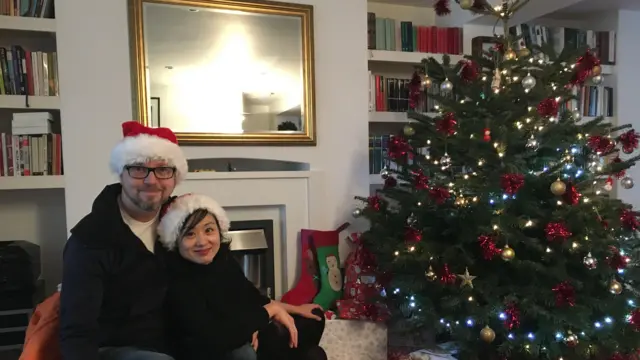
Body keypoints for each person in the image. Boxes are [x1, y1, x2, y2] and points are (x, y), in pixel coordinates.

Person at [59, 121, 189, 360]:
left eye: (163, 169)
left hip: (178, 339)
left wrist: (262, 309)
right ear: (121, 173)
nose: (151, 181)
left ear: (175, 177)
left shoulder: (185, 223)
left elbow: (220, 277)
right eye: (139, 168)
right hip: (117, 348)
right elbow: (77, 329)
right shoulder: (90, 239)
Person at [158, 193, 328, 360]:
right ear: (175, 240)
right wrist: (261, 317)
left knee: (314, 318)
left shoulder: (223, 262)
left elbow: (252, 298)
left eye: (209, 230)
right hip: (218, 350)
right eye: (190, 234)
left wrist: (295, 309)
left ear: (219, 230)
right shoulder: (176, 280)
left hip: (243, 333)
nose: (202, 241)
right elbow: (214, 338)